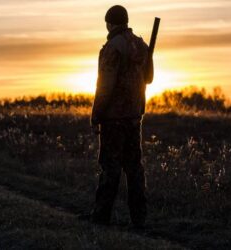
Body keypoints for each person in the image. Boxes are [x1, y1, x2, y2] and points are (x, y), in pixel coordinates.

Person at [90, 5, 154, 228]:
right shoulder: (141, 45)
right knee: (134, 168)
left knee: (110, 166)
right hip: (134, 116)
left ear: (110, 23)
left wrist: (96, 114)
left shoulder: (112, 47)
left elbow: (105, 86)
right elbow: (149, 78)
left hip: (113, 117)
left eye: (107, 22)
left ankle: (101, 217)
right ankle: (139, 219)